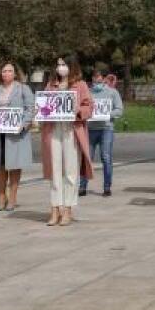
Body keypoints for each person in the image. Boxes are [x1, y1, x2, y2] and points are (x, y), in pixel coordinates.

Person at [39, 55, 94, 227]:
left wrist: (79, 110)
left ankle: (68, 209)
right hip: (54, 130)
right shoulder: (51, 85)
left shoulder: (80, 85)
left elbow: (89, 107)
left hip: (72, 130)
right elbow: (43, 105)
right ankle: (55, 208)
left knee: (71, 172)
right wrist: (41, 110)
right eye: (58, 65)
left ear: (71, 66)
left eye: (63, 64)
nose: (60, 67)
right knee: (55, 171)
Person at [0, 61, 34, 212]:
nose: (6, 73)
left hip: (16, 135)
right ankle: (1, 197)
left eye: (10, 71)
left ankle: (12, 198)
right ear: (0, 73)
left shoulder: (23, 89)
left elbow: (30, 108)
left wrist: (23, 124)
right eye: (4, 71)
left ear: (15, 73)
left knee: (14, 167)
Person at [80, 69, 123, 198]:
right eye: (94, 77)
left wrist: (106, 114)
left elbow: (119, 110)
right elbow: (82, 107)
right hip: (91, 129)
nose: (97, 80)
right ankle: (82, 186)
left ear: (104, 79)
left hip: (106, 128)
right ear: (92, 79)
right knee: (87, 158)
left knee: (106, 157)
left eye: (99, 77)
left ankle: (107, 187)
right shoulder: (87, 92)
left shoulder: (112, 92)